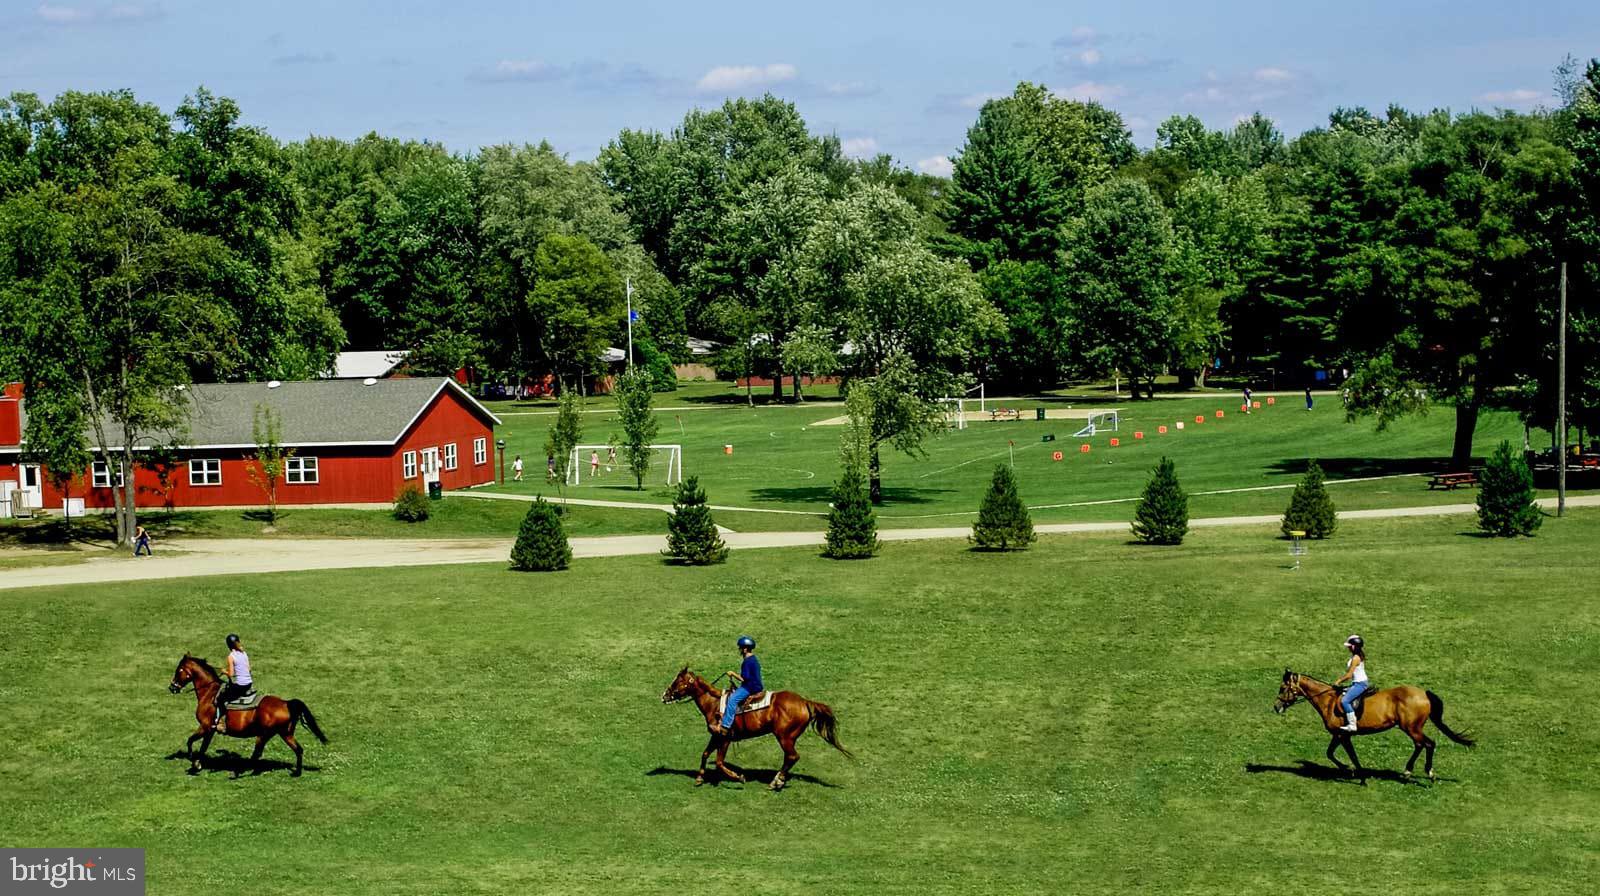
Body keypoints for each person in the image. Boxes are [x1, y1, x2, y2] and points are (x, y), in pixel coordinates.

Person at [711, 636, 764, 736]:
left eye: (740, 648)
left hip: (750, 687)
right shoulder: (753, 659)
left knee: (732, 699)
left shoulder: (747, 662)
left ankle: (725, 727)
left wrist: (732, 673)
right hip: (755, 685)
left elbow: (744, 679)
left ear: (745, 649)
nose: (739, 650)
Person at [218, 634, 254, 732]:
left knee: (221, 698)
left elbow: (231, 674)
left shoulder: (231, 656)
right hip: (249, 683)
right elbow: (249, 669)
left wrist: (223, 671)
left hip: (240, 685)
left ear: (228, 645)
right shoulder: (244, 653)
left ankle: (222, 722)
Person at [1333, 635, 1367, 731]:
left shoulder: (1356, 658)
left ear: (1353, 647)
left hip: (1360, 684)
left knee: (1345, 701)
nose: (1348, 648)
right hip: (1357, 683)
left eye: (1349, 646)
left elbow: (1349, 675)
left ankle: (1352, 725)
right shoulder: (1355, 656)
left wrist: (1338, 681)